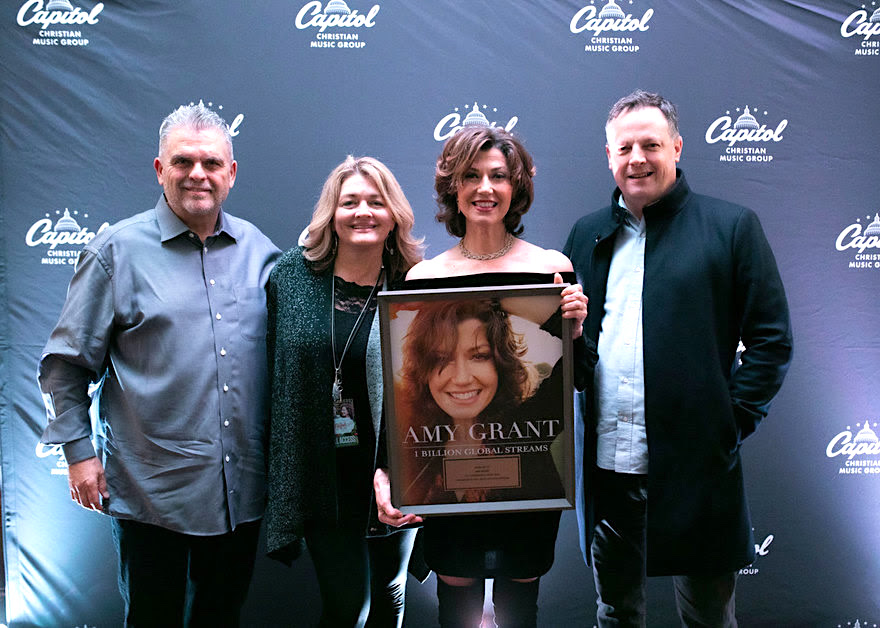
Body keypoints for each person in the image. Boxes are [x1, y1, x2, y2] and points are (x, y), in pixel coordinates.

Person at [37, 102, 280, 626]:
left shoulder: (260, 252)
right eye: (183, 161)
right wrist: (78, 454)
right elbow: (65, 366)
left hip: (240, 490)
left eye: (212, 163)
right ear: (159, 169)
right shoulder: (114, 252)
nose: (198, 174)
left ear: (231, 173)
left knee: (222, 618)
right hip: (150, 492)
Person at [563, 90, 793, 627]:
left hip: (698, 471)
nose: (637, 159)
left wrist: (728, 424)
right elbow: (574, 353)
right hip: (609, 469)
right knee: (615, 613)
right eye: (624, 148)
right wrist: (570, 343)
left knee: (708, 618)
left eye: (650, 145)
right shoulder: (585, 234)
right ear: (609, 156)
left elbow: (771, 340)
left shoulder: (732, 226)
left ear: (677, 148)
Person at [375, 126, 592, 628]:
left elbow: (578, 378)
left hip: (529, 482)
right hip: (445, 478)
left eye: (498, 176)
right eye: (471, 175)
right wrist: (390, 471)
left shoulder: (552, 268)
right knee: (457, 603)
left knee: (520, 606)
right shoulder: (424, 279)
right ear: (453, 186)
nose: (485, 188)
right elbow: (403, 391)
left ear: (517, 187)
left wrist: (575, 330)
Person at [265, 156, 424, 627]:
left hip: (395, 468)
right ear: (331, 214)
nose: (363, 212)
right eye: (349, 202)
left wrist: (393, 468)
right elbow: (278, 374)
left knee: (391, 593)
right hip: (324, 470)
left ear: (394, 214)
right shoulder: (292, 277)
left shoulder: (416, 283)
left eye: (376, 202)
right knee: (349, 607)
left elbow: (428, 389)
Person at [394, 297, 566, 506]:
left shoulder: (529, 422)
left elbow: (578, 350)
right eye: (441, 358)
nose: (461, 378)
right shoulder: (413, 441)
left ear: (500, 364)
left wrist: (488, 299)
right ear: (423, 370)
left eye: (479, 356)